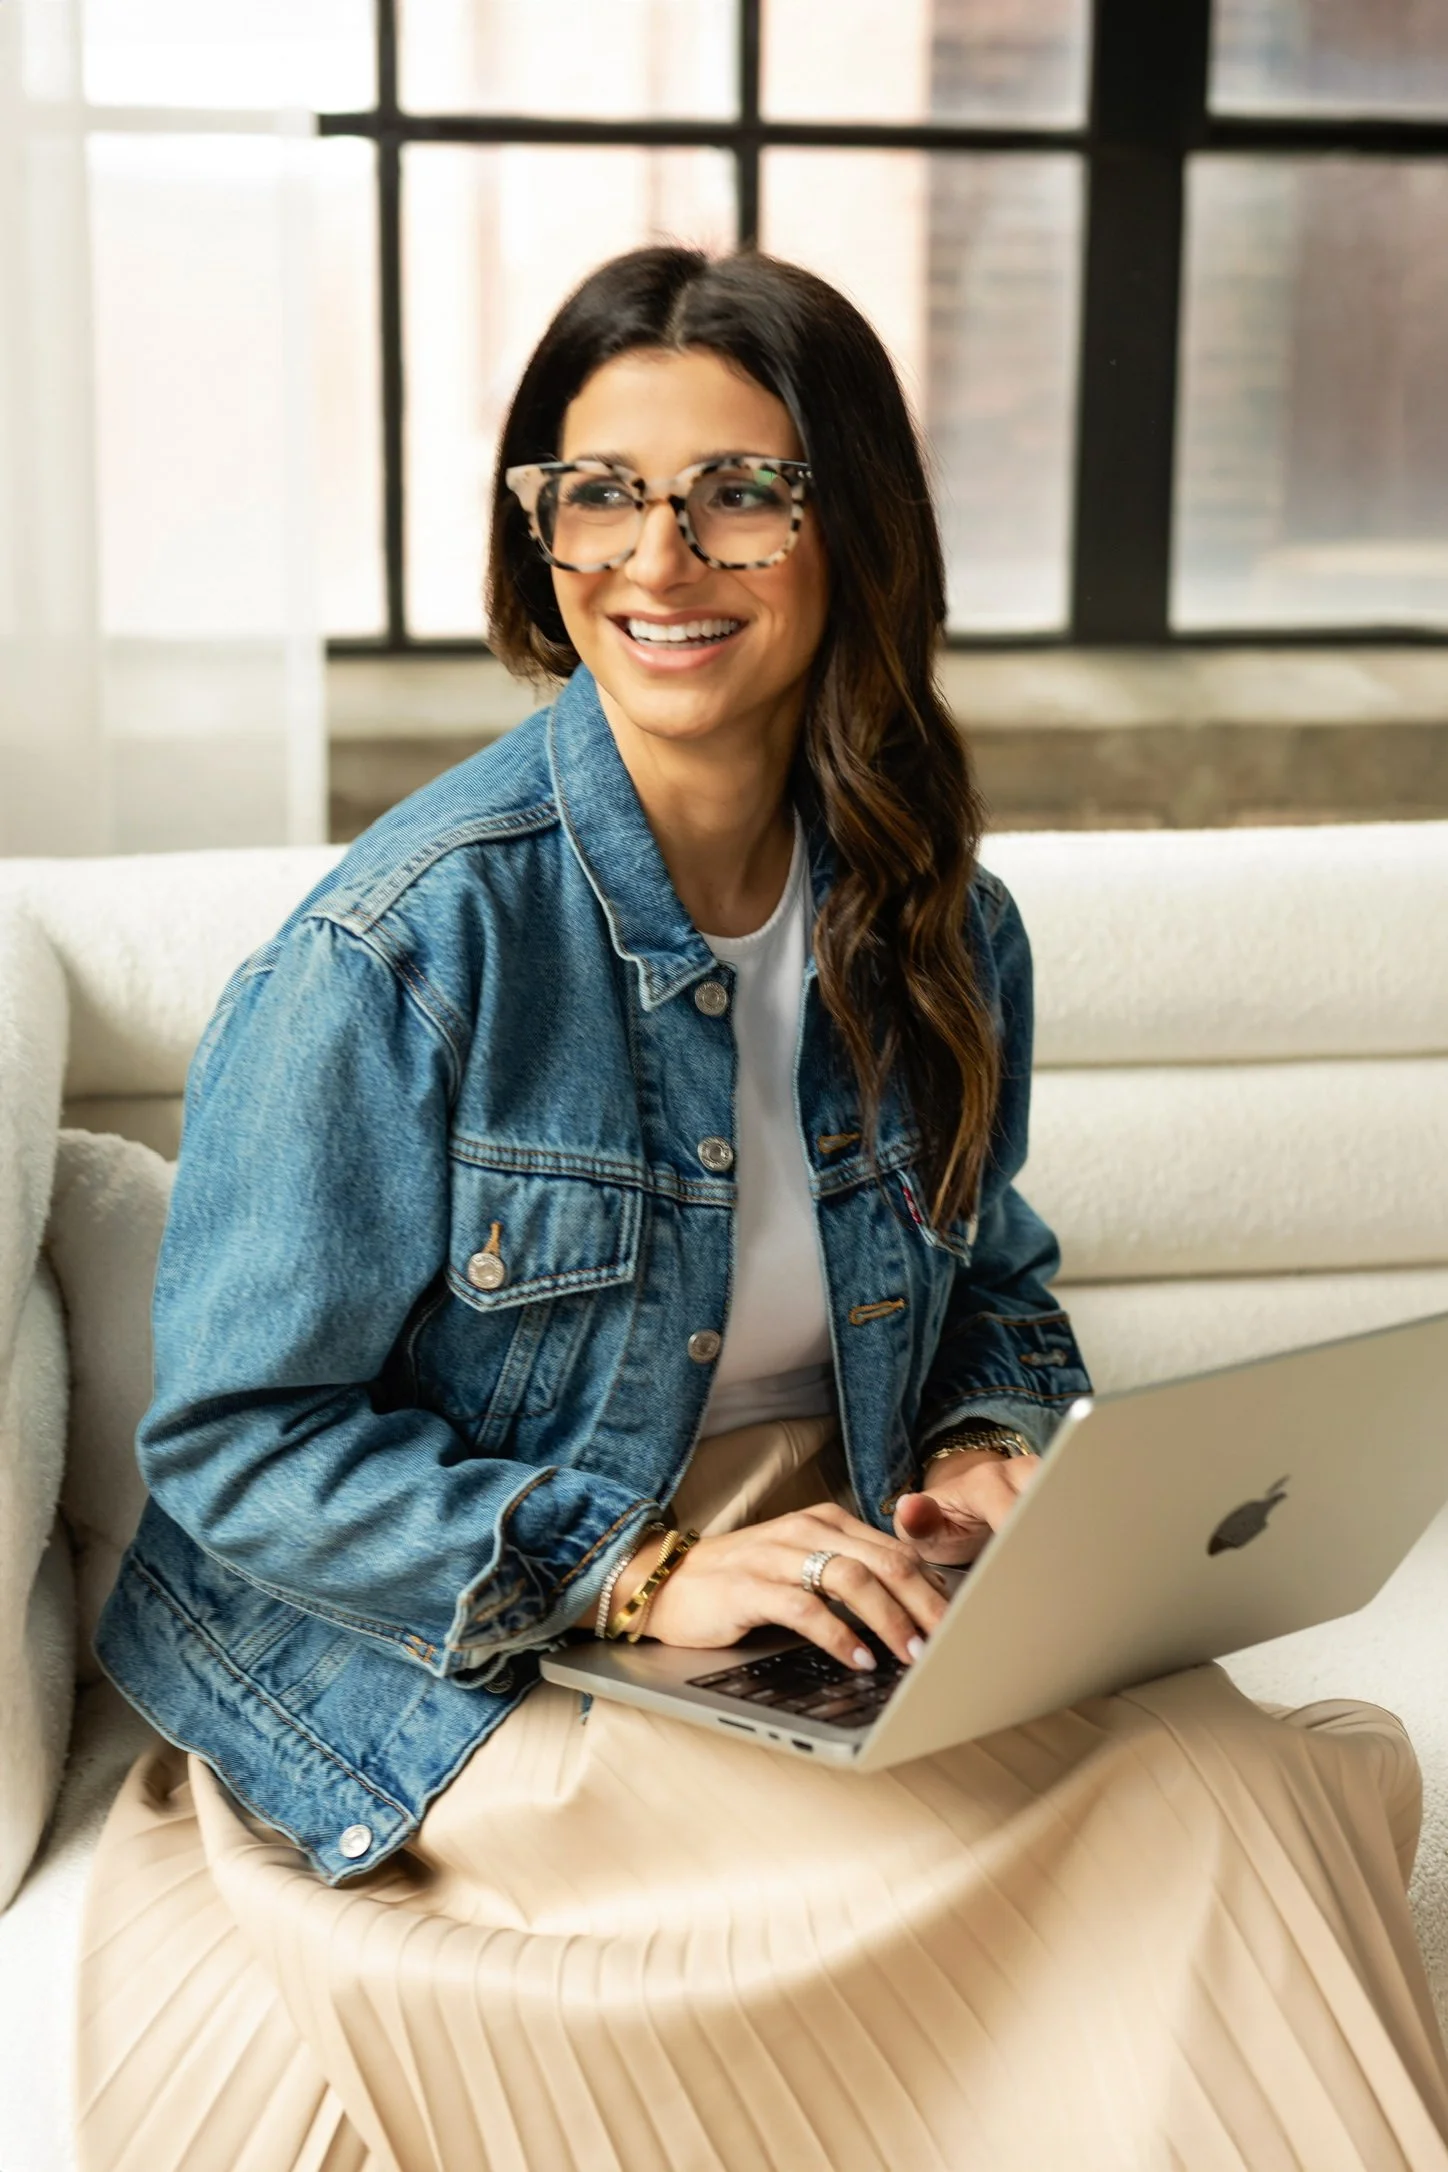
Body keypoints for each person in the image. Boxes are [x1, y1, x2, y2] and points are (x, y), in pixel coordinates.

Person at [78, 247, 1448, 2172]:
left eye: (742, 492)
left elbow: (994, 1288)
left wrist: (988, 1451)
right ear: (539, 535)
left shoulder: (940, 926)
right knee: (1197, 1818)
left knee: (1240, 1787)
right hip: (474, 1638)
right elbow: (237, 1448)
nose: (663, 558)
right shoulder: (403, 952)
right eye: (602, 493)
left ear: (852, 530)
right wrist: (637, 1573)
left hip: (826, 1585)